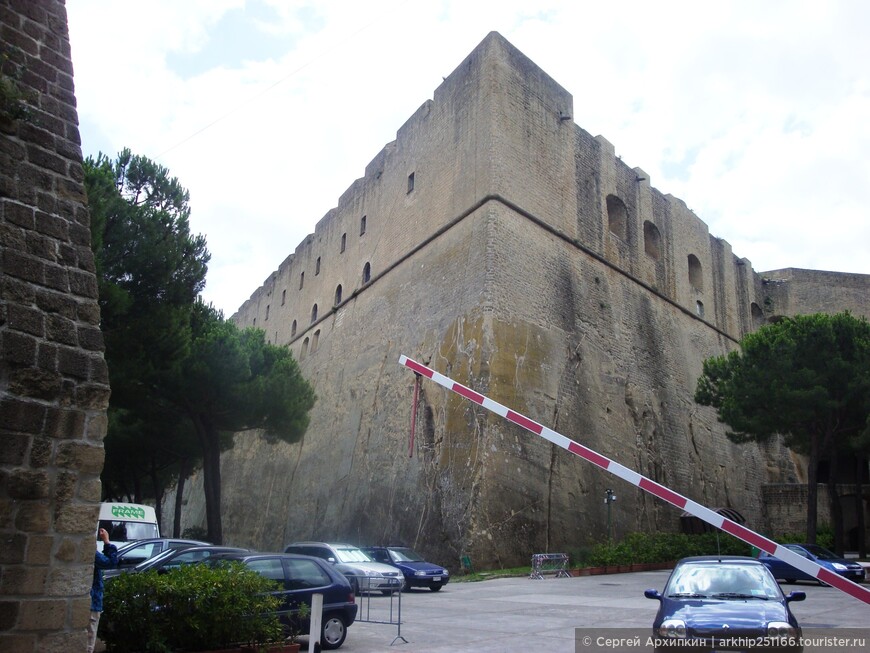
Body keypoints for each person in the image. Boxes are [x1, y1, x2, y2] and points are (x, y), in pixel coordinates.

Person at [88, 527, 119, 653]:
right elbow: (111, 562)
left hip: (87, 602)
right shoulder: (90, 552)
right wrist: (106, 541)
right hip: (92, 603)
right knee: (89, 641)